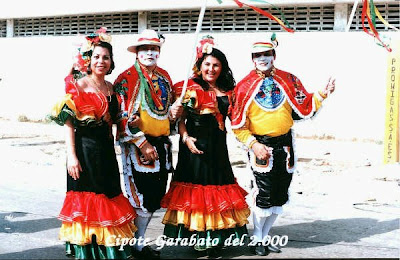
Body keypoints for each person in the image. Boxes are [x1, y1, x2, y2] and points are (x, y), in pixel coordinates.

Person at [231, 33, 336, 256]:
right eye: (257, 55)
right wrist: (253, 144)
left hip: (286, 145)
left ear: (274, 55)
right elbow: (238, 125)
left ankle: (266, 237)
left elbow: (304, 104)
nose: (262, 58)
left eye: (266, 54)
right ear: (252, 58)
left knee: (280, 193)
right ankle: (257, 239)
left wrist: (322, 94)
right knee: (264, 195)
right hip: (260, 145)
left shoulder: (289, 79)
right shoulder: (244, 86)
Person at [49, 27, 137, 259]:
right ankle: (86, 248)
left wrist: (130, 122)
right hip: (84, 151)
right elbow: (68, 123)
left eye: (106, 57)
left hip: (106, 153)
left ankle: (108, 247)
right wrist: (72, 156)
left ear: (111, 62)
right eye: (96, 56)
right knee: (87, 198)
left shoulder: (112, 90)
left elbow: (118, 121)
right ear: (88, 60)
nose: (101, 61)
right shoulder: (77, 87)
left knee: (108, 196)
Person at [160, 36, 250, 257]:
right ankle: (198, 237)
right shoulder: (187, 87)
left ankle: (215, 238)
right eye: (207, 64)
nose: (211, 69)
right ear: (199, 66)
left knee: (219, 188)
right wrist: (185, 138)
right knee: (195, 190)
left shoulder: (229, 90)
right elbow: (180, 119)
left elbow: (238, 119)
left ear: (222, 67)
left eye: (216, 65)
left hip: (218, 148)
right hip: (194, 147)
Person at [113, 29, 183, 259]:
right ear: (136, 52)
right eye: (144, 49)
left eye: (154, 48)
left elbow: (167, 114)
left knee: (154, 196)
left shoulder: (164, 77)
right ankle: (134, 245)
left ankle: (139, 244)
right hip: (138, 145)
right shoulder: (126, 79)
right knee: (140, 197)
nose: (149, 53)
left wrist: (174, 112)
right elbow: (122, 116)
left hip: (161, 145)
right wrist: (142, 144)